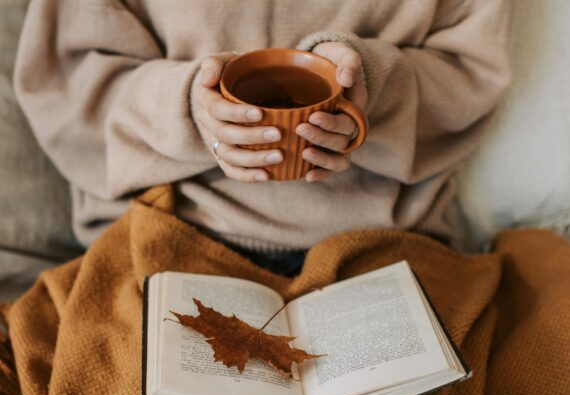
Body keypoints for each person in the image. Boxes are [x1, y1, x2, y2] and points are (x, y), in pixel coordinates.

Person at [14, 0, 511, 277]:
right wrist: (188, 107)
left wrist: (373, 89)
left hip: (385, 247)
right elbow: (69, 85)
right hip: (171, 236)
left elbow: (469, 73)